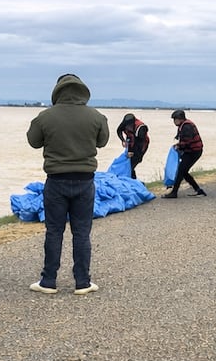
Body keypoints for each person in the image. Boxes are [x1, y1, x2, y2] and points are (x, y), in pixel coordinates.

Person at [26, 74, 109, 295]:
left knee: (54, 231)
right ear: (83, 91)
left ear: (57, 91)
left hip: (56, 181)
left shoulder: (45, 117)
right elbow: (102, 141)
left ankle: (48, 281)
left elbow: (33, 141)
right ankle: (82, 282)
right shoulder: (96, 116)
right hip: (85, 181)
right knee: (82, 232)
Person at [163, 109, 206, 198]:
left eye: (175, 119)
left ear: (180, 119)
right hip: (191, 151)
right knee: (184, 171)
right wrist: (179, 145)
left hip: (193, 152)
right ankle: (198, 190)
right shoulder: (183, 125)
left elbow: (187, 141)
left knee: (181, 171)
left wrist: (178, 146)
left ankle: (174, 192)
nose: (174, 121)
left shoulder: (187, 127)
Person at [115, 113, 150, 179]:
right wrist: (123, 140)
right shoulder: (125, 123)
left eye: (129, 126)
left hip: (141, 146)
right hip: (131, 142)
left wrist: (132, 153)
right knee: (127, 163)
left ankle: (131, 180)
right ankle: (131, 178)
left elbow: (139, 144)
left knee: (132, 163)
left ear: (133, 123)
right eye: (126, 126)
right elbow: (118, 130)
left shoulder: (141, 128)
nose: (127, 127)